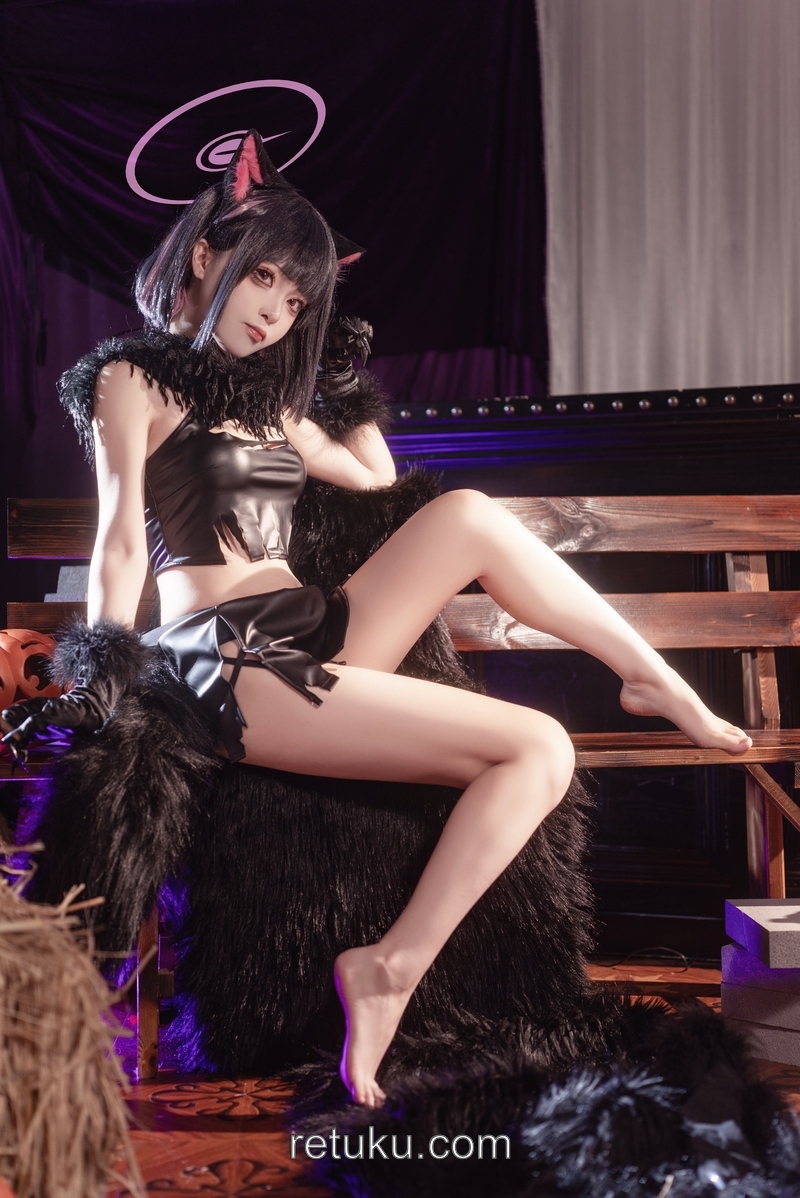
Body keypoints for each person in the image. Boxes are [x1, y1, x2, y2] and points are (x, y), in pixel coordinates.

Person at [1, 131, 752, 1108]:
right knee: (539, 746)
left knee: (467, 513)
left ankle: (649, 675)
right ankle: (389, 969)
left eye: (297, 301)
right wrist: (101, 670)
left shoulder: (273, 409)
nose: (275, 311)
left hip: (308, 627)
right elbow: (116, 546)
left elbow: (373, 475)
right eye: (264, 277)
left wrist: (340, 373)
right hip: (227, 657)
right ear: (205, 255)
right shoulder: (131, 380)